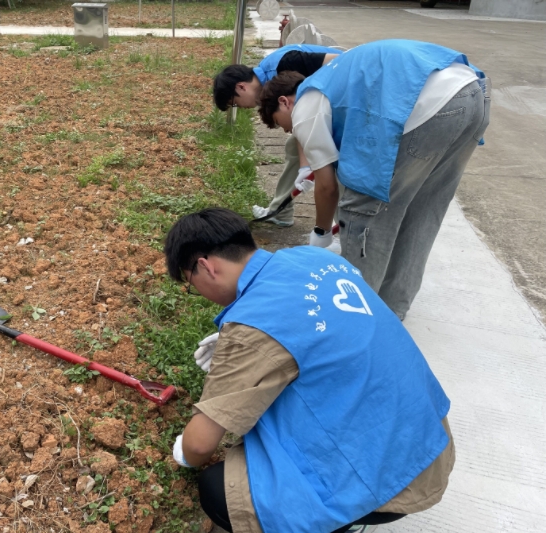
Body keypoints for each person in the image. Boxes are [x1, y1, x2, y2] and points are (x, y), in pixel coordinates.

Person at [164, 207, 455, 533]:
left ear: (205, 267)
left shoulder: (253, 326)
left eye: (190, 283)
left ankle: (341, 519)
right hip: (430, 439)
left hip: (391, 478)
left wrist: (184, 453)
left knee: (217, 488)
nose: (199, 294)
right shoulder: (316, 259)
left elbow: (201, 445)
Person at [257, 39, 491, 320]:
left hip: (431, 104)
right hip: (472, 93)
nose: (288, 132)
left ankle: (357, 320)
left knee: (363, 209)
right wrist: (309, 170)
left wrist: (320, 233)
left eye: (281, 124)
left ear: (285, 102)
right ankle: (391, 313)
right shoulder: (331, 82)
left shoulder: (306, 103)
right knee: (422, 212)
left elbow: (328, 188)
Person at [212, 45, 341, 227]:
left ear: (241, 87)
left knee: (333, 163)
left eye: (235, 104)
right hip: (322, 109)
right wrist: (304, 167)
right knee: (293, 147)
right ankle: (281, 211)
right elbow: (300, 124)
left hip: (345, 102)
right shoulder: (270, 81)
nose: (241, 108)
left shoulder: (284, 64)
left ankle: (340, 228)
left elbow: (340, 60)